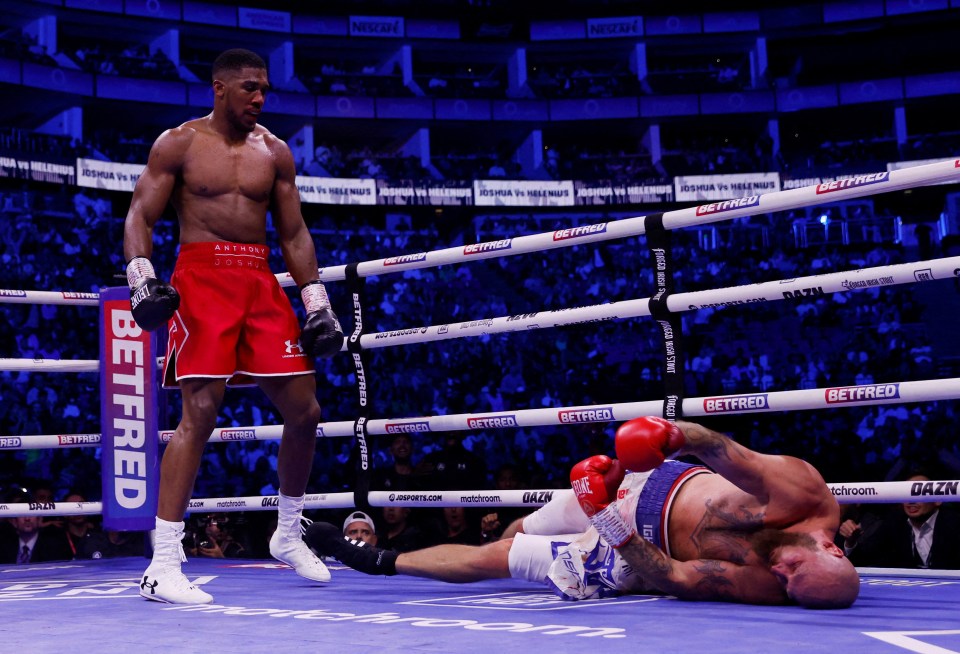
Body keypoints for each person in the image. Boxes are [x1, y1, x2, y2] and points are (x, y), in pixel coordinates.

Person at [122, 48, 343, 604]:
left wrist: (317, 303)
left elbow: (294, 235)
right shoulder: (180, 143)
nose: (259, 98)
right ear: (219, 88)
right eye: (249, 88)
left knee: (305, 409)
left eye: (264, 88)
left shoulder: (276, 151)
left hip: (259, 280)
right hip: (200, 278)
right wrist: (142, 280)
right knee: (198, 412)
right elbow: (139, 215)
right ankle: (163, 563)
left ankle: (287, 532)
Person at [307, 416, 860, 609]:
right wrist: (668, 436)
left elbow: (674, 575)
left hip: (632, 544)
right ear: (830, 547)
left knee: (503, 556)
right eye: (791, 569)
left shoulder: (772, 586)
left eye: (786, 587)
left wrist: (608, 521)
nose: (778, 576)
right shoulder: (803, 495)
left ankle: (378, 560)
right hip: (654, 475)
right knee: (519, 526)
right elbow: (718, 448)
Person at [840, 470, 960, 569]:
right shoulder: (894, 522)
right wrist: (851, 542)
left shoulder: (955, 523)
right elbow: (863, 560)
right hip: (908, 592)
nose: (910, 501)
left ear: (938, 500)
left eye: (917, 493)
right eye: (906, 494)